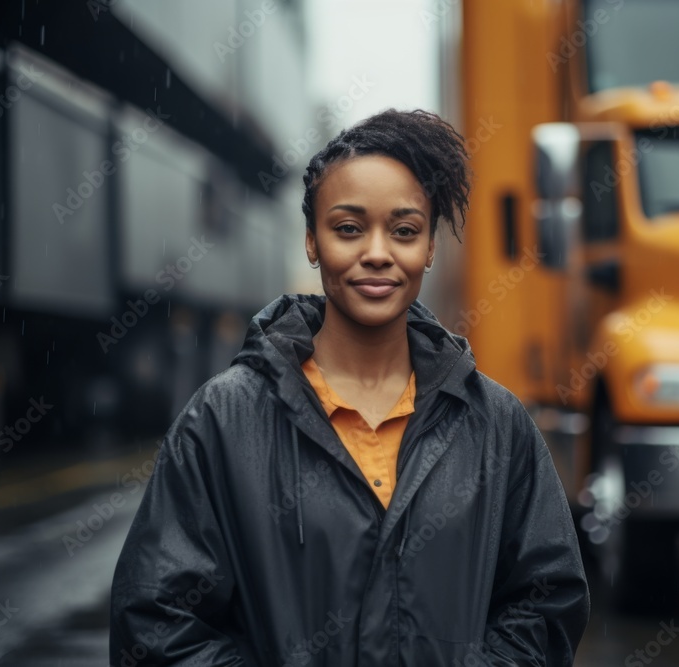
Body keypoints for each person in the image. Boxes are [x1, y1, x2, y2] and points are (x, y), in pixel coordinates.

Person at [109, 108, 590, 666]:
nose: (378, 252)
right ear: (312, 241)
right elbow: (155, 621)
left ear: (431, 248)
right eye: (348, 228)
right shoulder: (224, 419)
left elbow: (546, 601)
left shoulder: (495, 424)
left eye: (405, 230)